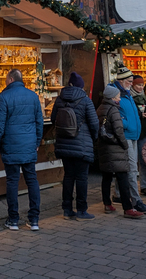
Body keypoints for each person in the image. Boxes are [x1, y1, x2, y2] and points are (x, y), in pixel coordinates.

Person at [0, 68, 43, 231]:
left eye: (6, 79)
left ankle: (13, 220)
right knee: (32, 180)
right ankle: (34, 220)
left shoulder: (4, 97)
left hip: (11, 145)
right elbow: (39, 122)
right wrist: (37, 142)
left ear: (11, 79)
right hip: (29, 146)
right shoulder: (33, 96)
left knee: (12, 181)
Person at [50, 71, 99, 221]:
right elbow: (94, 123)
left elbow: (53, 120)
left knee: (68, 176)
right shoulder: (85, 100)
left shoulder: (59, 99)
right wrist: (93, 138)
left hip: (64, 143)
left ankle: (67, 209)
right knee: (82, 178)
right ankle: (82, 210)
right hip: (82, 144)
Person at [95, 85, 144, 218]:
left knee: (106, 176)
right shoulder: (114, 110)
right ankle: (128, 208)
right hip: (115, 147)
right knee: (122, 177)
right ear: (112, 97)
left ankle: (107, 203)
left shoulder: (100, 108)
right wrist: (124, 144)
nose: (119, 99)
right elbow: (118, 130)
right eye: (117, 96)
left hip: (104, 147)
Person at [111, 68, 146, 214]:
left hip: (133, 135)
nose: (131, 84)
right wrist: (126, 124)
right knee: (132, 169)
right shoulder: (116, 94)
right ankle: (136, 200)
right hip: (126, 135)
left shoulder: (126, 93)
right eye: (129, 81)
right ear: (122, 81)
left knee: (127, 167)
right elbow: (114, 115)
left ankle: (119, 193)